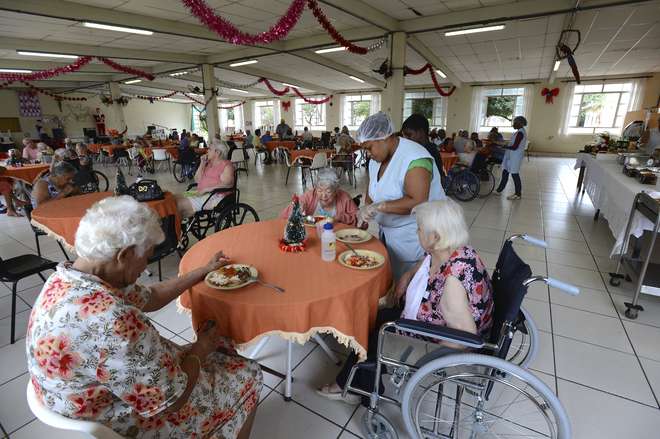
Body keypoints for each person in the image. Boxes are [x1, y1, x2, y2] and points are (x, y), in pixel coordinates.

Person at [26, 196, 262, 438]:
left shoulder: (69, 277)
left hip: (81, 398)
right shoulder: (113, 320)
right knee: (249, 372)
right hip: (122, 417)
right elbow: (174, 401)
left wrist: (203, 271)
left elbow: (152, 296)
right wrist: (201, 348)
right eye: (146, 256)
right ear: (125, 254)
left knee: (219, 348)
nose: (145, 266)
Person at [318, 199, 494, 403]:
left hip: (436, 338)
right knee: (375, 317)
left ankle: (350, 386)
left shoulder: (453, 284)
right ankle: (361, 378)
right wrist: (408, 275)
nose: (416, 232)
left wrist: (415, 357)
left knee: (377, 333)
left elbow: (464, 337)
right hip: (433, 319)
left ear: (435, 237)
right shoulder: (457, 250)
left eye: (419, 229)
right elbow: (428, 261)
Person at [355, 112, 445, 280]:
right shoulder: (376, 159)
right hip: (389, 233)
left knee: (409, 285)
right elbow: (373, 188)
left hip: (414, 236)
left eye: (368, 148)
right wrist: (365, 209)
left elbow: (417, 201)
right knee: (392, 281)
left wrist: (379, 207)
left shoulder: (415, 158)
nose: (367, 154)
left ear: (384, 137)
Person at [175, 142, 235, 218]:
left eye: (209, 149)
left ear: (218, 152)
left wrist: (207, 189)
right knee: (173, 198)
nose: (207, 151)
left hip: (215, 196)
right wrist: (202, 163)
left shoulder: (226, 165)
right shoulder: (209, 163)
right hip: (201, 193)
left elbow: (228, 184)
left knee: (178, 204)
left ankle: (178, 224)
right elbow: (197, 180)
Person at [279, 169, 358, 225]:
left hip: (336, 237)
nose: (323, 196)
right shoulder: (309, 195)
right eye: (320, 191)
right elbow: (283, 217)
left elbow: (360, 221)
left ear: (336, 190)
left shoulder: (344, 198)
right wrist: (296, 209)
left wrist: (340, 218)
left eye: (328, 191)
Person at [401, 114, 445, 182]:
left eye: (409, 135)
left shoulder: (428, 152)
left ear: (421, 132)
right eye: (403, 136)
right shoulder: (416, 148)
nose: (405, 140)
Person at [494, 116, 528, 200]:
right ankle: (499, 190)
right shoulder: (518, 132)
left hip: (515, 157)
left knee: (514, 174)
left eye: (515, 122)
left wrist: (504, 147)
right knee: (505, 172)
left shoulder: (520, 133)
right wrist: (504, 144)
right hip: (511, 156)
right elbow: (512, 143)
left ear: (520, 123)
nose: (513, 124)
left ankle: (518, 194)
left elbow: (515, 147)